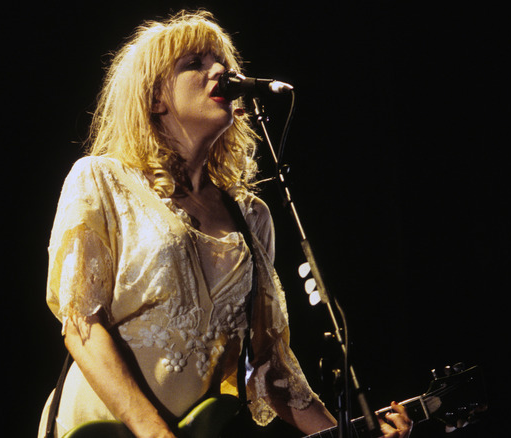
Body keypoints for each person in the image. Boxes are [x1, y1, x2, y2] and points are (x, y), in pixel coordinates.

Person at [38, 10, 412, 438]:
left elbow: (269, 366)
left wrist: (348, 433)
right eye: (194, 63)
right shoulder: (103, 181)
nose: (221, 71)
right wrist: (152, 430)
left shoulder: (252, 218)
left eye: (224, 63)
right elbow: (82, 323)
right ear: (155, 98)